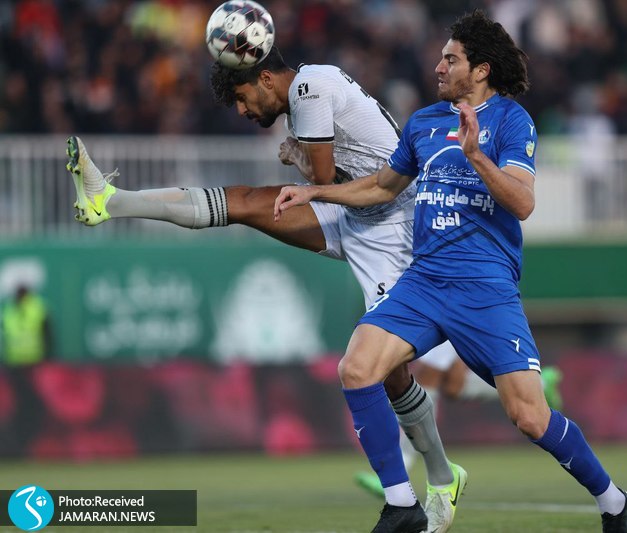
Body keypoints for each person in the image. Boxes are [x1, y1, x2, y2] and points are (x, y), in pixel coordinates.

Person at [65, 46, 465, 532]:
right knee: (247, 202)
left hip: (395, 230)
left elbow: (322, 179)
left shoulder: (309, 87)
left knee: (390, 372)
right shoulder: (303, 97)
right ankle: (110, 200)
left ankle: (434, 481)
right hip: (358, 216)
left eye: (242, 96)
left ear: (267, 80)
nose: (241, 110)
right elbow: (333, 180)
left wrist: (298, 155)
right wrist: (300, 155)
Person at [274, 10, 627, 533]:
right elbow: (381, 187)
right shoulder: (423, 122)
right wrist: (316, 191)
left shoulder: (512, 121)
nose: (439, 67)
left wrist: (477, 157)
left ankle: (613, 501)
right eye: (441, 58)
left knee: (529, 417)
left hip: (484, 285)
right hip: (424, 280)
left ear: (481, 69)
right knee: (357, 367)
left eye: (451, 59)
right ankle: (401, 505)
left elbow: (523, 203)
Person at [355, 353, 563, 498]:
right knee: (454, 387)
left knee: (427, 376)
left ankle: (400, 470)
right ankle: (539, 385)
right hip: (438, 307)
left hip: (450, 305)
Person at [1, 285, 52, 366]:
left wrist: (48, 355)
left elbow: (48, 334)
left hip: (35, 359)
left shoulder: (38, 308)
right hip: (13, 361)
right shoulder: (9, 310)